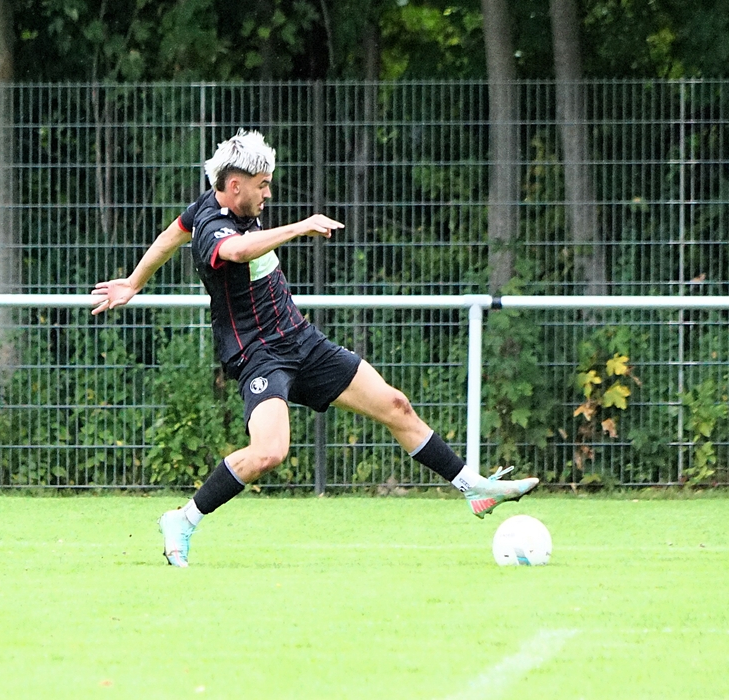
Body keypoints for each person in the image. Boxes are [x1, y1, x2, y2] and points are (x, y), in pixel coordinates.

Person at [91, 129, 538, 567]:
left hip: (301, 339)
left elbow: (172, 234)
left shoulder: (212, 207)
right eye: (262, 185)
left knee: (395, 405)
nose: (268, 193)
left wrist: (134, 282)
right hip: (258, 354)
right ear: (235, 185)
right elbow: (237, 251)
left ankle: (472, 488)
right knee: (269, 452)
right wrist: (300, 226)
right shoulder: (213, 226)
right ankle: (183, 520)